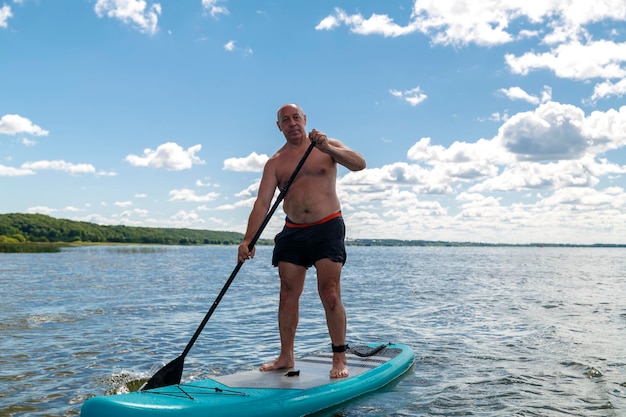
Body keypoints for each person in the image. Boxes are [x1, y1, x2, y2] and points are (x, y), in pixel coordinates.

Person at [238, 103, 366, 378]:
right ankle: (286, 356)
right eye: (286, 120)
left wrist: (328, 148)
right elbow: (262, 203)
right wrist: (247, 240)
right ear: (279, 126)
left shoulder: (326, 146)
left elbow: (359, 164)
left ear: (305, 119)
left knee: (329, 292)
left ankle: (339, 358)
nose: (292, 123)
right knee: (287, 293)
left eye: (296, 117)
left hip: (327, 226)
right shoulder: (275, 162)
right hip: (293, 230)